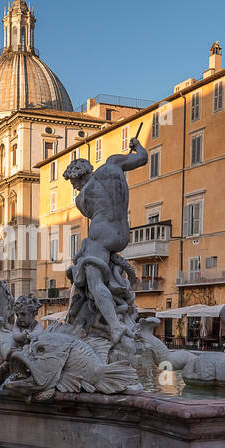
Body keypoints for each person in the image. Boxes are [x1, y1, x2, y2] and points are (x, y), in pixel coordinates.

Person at [62, 132, 148, 346]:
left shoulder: (81, 198)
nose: (74, 187)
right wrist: (136, 145)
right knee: (88, 257)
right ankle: (114, 314)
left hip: (100, 234)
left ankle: (115, 325)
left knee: (93, 280)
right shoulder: (113, 165)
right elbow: (142, 157)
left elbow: (91, 214)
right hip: (121, 234)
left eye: (73, 182)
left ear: (78, 177)